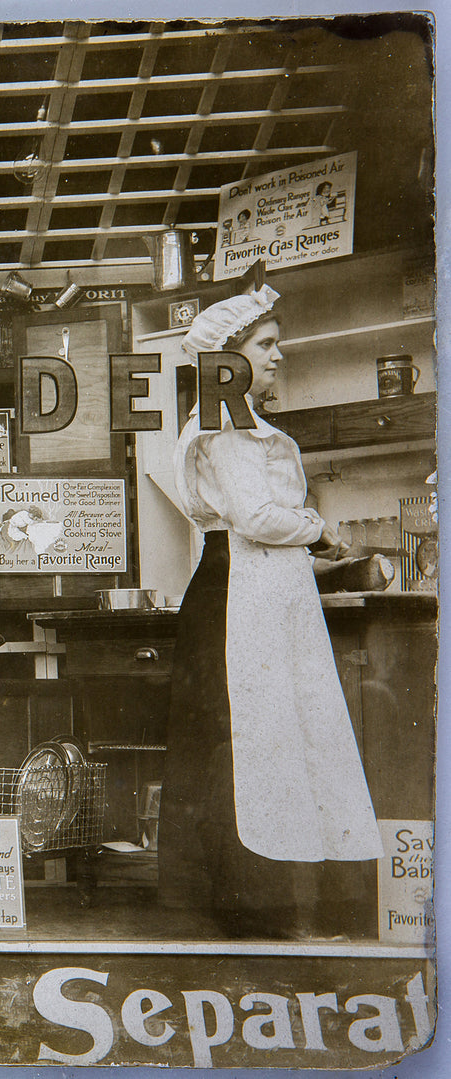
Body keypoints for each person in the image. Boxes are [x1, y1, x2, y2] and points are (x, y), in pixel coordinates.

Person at [158, 285, 382, 940]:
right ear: (227, 358)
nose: (279, 355)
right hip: (234, 601)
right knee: (256, 749)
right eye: (265, 344)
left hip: (261, 594)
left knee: (285, 742)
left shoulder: (244, 426)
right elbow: (254, 518)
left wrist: (320, 555)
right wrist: (317, 529)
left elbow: (262, 534)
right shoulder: (223, 425)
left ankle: (281, 910)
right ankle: (259, 912)